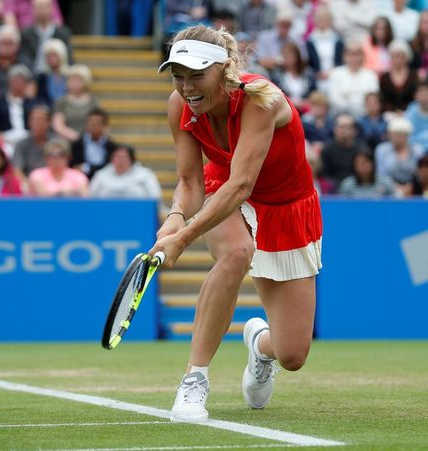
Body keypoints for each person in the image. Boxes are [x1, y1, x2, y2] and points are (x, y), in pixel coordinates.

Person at [151, 25, 323, 422]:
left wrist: (184, 238)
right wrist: (176, 217)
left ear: (224, 69)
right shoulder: (179, 104)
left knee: (293, 354)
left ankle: (260, 347)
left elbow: (243, 184)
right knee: (235, 252)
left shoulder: (261, 100)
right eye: (178, 75)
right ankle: (194, 381)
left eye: (197, 75)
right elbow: (191, 182)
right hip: (224, 188)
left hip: (284, 205)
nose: (187, 87)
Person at [89, 145, 162, 201]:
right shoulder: (101, 175)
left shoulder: (145, 174)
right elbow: (90, 197)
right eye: (117, 157)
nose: (120, 160)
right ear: (112, 159)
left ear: (132, 159)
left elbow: (155, 196)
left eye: (124, 157)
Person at [19, 0, 72, 75]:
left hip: (58, 76)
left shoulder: (62, 33)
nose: (42, 10)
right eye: (39, 7)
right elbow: (24, 58)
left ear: (52, 9)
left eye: (45, 7)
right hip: (33, 76)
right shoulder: (26, 34)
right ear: (33, 9)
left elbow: (69, 58)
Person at [327, 41, 379, 117]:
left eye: (357, 54)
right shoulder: (335, 74)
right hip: (341, 115)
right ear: (344, 56)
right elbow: (334, 99)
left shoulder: (371, 75)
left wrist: (347, 97)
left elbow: (373, 99)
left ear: (362, 56)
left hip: (366, 116)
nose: (354, 57)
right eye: (351, 54)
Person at [52, 64, 100, 142]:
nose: (75, 83)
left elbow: (98, 122)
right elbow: (58, 125)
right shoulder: (61, 102)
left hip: (89, 140)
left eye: (78, 80)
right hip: (66, 140)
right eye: (72, 79)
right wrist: (76, 137)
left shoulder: (93, 101)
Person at [321, 113, 370, 186]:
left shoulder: (362, 149)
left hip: (357, 187)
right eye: (339, 127)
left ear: (355, 131)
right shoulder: (327, 149)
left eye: (346, 127)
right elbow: (325, 175)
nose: (342, 131)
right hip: (333, 189)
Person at [375, 116, 425, 187]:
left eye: (401, 134)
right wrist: (394, 188)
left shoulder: (418, 150)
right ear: (389, 135)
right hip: (388, 190)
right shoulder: (381, 150)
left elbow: (421, 174)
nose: (398, 137)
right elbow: (381, 175)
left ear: (408, 135)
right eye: (395, 134)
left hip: (413, 189)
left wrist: (410, 188)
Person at [71, 107, 119, 179]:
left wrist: (87, 168)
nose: (93, 125)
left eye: (97, 123)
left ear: (104, 126)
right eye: (90, 122)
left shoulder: (112, 147)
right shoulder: (76, 145)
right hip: (82, 179)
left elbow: (110, 168)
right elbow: (75, 167)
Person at [13, 104, 55, 184]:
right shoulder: (21, 144)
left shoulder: (57, 143)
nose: (36, 123)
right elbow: (17, 171)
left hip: (54, 185)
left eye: (40, 120)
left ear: (48, 122)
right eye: (33, 119)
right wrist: (27, 185)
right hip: (30, 185)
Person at [270, 41, 316, 114]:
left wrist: (305, 102)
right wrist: (293, 103)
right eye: (285, 56)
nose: (287, 59)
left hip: (306, 111)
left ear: (297, 57)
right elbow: (275, 95)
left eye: (290, 56)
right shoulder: (276, 75)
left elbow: (314, 92)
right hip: (285, 111)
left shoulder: (308, 73)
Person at [305, 7, 344, 91]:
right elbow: (308, 63)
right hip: (316, 79)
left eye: (325, 19)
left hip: (335, 77)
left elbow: (341, 61)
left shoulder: (338, 41)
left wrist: (333, 73)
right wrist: (316, 73)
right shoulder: (309, 41)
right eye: (320, 19)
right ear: (315, 20)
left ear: (331, 21)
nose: (322, 21)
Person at [380, 39, 419, 114]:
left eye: (401, 56)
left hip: (411, 113)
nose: (398, 60)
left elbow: (416, 98)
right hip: (389, 114)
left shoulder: (414, 76)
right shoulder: (385, 77)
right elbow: (383, 99)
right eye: (395, 56)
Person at [35, 38, 69, 106]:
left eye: (54, 55)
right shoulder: (41, 78)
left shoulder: (69, 76)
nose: (51, 59)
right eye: (49, 56)